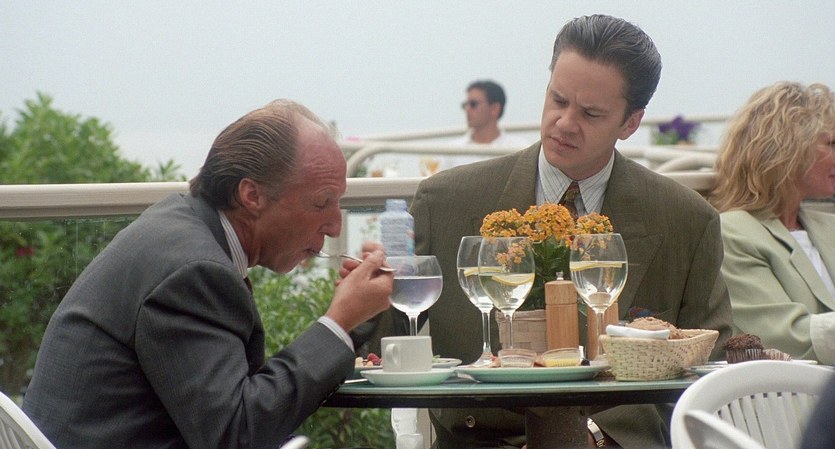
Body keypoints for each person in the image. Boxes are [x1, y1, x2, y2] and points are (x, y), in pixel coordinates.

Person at [384, 14, 733, 448]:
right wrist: (362, 296)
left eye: (590, 113)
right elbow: (384, 335)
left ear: (630, 123)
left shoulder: (685, 221)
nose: (565, 122)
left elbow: (711, 372)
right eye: (558, 99)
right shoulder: (446, 202)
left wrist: (596, 436)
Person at [22, 100, 394, 449]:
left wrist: (350, 321)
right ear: (252, 195)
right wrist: (338, 321)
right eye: (322, 202)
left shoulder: (181, 228)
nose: (334, 226)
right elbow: (236, 434)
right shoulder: (193, 272)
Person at [710, 81, 835, 364]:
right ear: (790, 148)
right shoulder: (733, 232)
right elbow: (785, 338)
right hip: (792, 388)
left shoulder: (827, 226)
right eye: (832, 143)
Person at [435, 80, 531, 171]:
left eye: (473, 104)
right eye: (465, 105)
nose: (467, 109)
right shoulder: (451, 151)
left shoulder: (520, 148)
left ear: (495, 108)